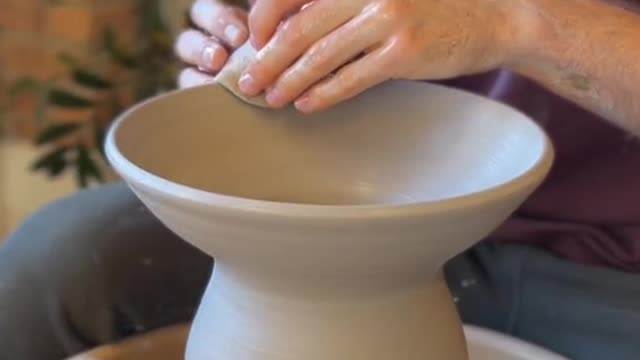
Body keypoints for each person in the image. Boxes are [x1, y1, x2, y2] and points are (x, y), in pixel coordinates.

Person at [1, 0, 639, 359]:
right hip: (370, 188)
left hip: (610, 262)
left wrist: (515, 23)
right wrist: (252, 44)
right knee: (50, 268)